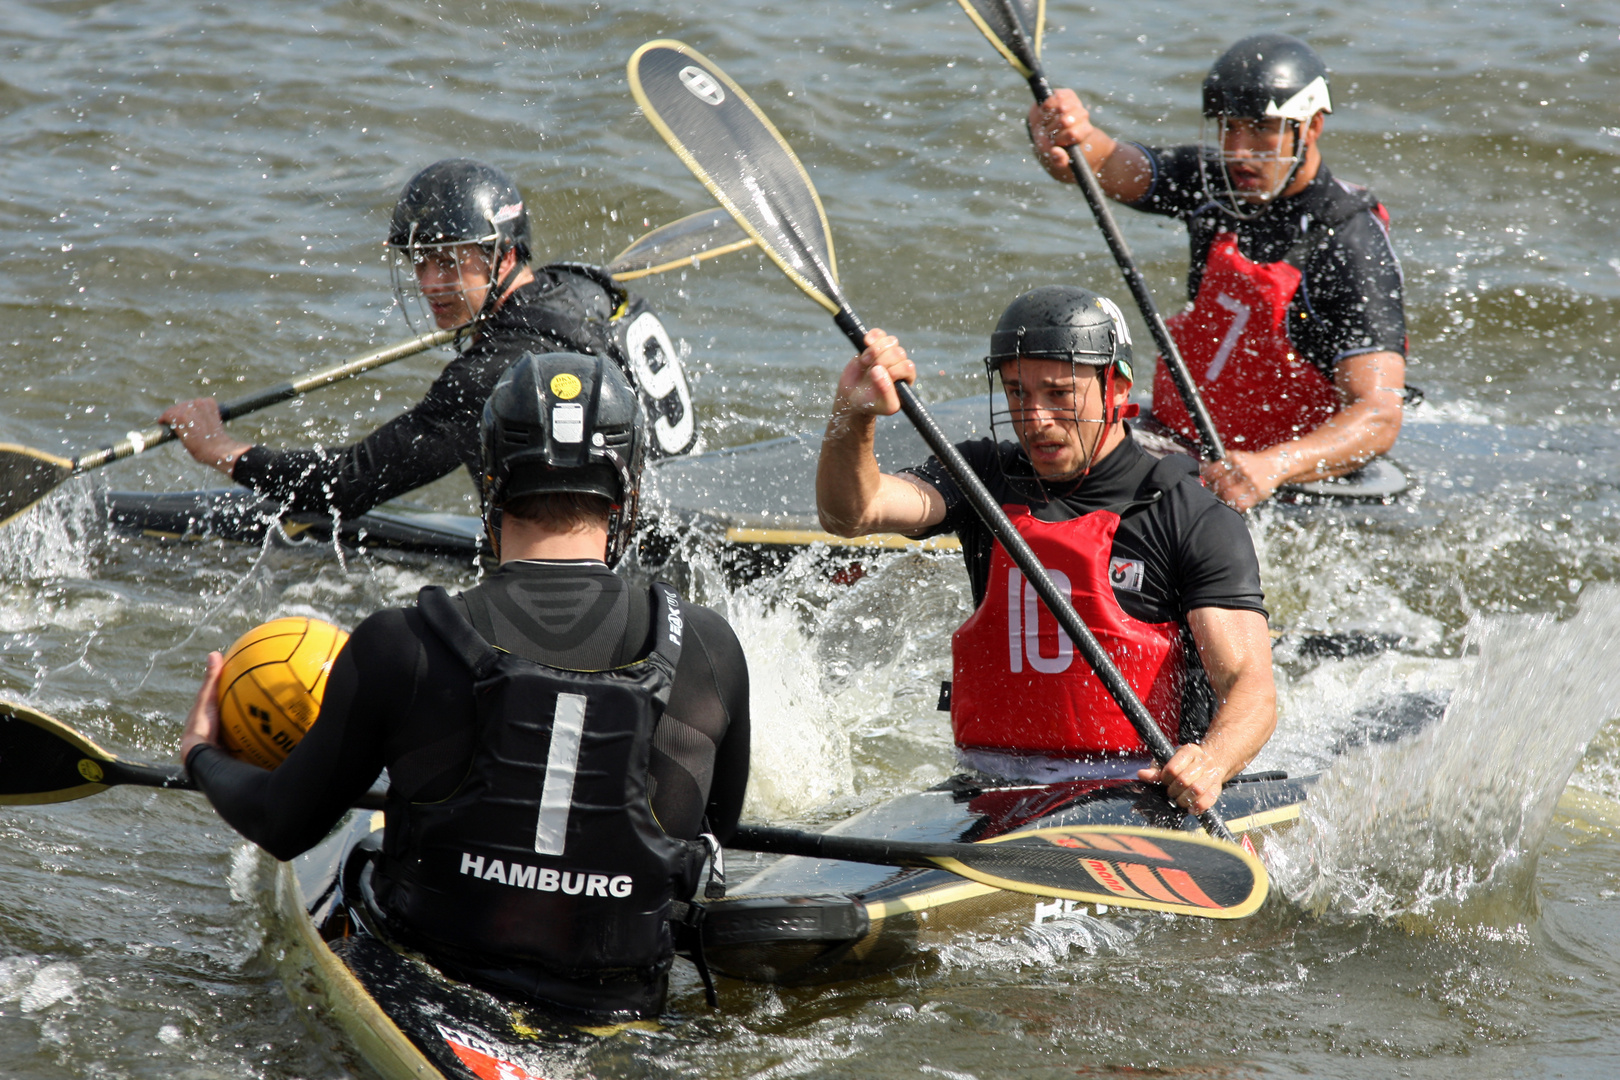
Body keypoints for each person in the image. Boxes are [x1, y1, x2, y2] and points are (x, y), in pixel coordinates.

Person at [180, 351, 750, 1020]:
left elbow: (281, 823)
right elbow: (717, 832)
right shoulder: (709, 646)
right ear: (627, 490)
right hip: (621, 1006)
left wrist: (200, 755)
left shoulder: (402, 643)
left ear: (490, 484)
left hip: (433, 988)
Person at [815, 286, 1275, 814]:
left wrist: (1211, 762)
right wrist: (854, 414)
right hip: (987, 786)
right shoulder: (981, 474)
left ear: (1116, 387)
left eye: (1059, 394)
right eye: (1016, 393)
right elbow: (853, 512)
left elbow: (1251, 688)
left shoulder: (1190, 515)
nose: (1034, 419)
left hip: (1133, 792)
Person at [160, 158, 697, 520]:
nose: (428, 284)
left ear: (505, 255)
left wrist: (219, 448)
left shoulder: (493, 375)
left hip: (595, 577)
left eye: (448, 262)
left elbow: (344, 487)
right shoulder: (585, 287)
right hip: (668, 513)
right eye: (419, 262)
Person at [1026, 33, 1407, 510]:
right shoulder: (1214, 184)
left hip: (1278, 479)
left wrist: (1274, 465)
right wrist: (1065, 135)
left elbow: (1378, 415)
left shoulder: (1349, 239)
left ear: (1310, 127)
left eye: (1261, 128)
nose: (1240, 152)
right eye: (1229, 128)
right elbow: (1100, 163)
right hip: (1182, 441)